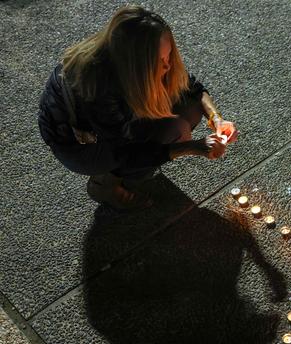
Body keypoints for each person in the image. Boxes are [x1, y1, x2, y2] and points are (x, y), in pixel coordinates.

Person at [37, 5, 238, 211]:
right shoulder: (99, 89)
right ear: (135, 64)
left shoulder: (133, 62)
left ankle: (137, 162)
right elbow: (126, 152)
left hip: (118, 124)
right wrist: (191, 148)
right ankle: (105, 185)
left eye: (168, 56)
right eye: (160, 61)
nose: (167, 65)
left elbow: (191, 88)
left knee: (191, 109)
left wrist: (216, 119)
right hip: (80, 146)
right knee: (168, 136)